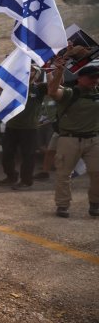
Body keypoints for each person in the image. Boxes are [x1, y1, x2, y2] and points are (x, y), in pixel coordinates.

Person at [46, 60, 99, 218]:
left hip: (93, 139)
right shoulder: (70, 93)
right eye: (91, 78)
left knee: (97, 173)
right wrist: (59, 72)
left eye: (97, 77)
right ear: (80, 79)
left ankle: (95, 203)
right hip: (69, 139)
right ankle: (62, 205)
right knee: (63, 174)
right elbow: (53, 92)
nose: (94, 80)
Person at [0, 65, 47, 190]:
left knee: (28, 155)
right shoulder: (13, 87)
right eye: (26, 69)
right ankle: (11, 176)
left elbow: (56, 85)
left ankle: (26, 180)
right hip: (11, 126)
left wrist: (58, 71)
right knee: (7, 154)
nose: (28, 72)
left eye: (32, 70)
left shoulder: (39, 88)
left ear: (36, 74)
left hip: (30, 128)